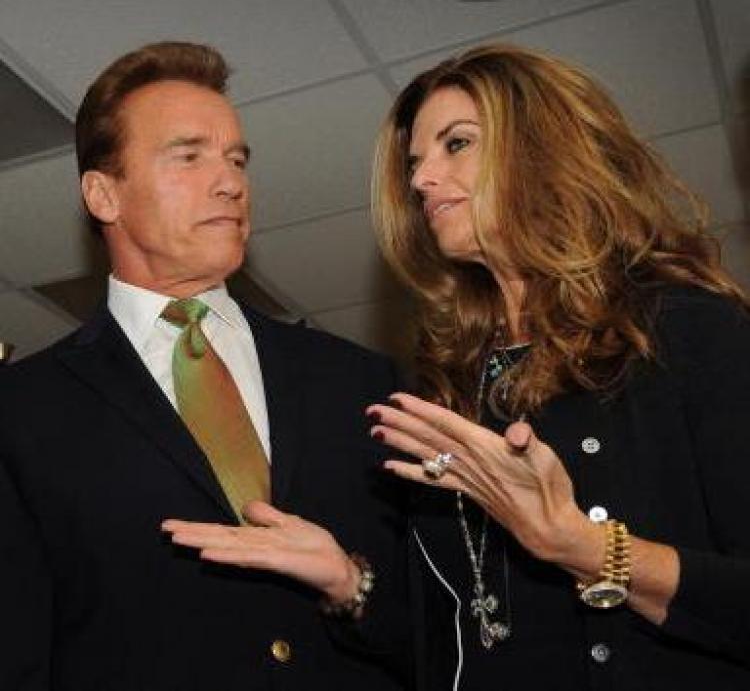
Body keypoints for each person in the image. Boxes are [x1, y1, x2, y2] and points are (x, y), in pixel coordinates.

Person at [0, 42, 407, 691]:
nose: (231, 181)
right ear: (103, 194)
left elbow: (442, 634)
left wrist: (352, 585)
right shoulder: (21, 411)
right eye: (189, 156)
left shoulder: (361, 384)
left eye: (236, 159)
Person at [362, 43, 750, 689]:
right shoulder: (450, 386)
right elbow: (453, 639)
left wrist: (588, 550)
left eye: (455, 144)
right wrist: (349, 583)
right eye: (416, 162)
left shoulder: (684, 327)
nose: (421, 179)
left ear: (538, 151)